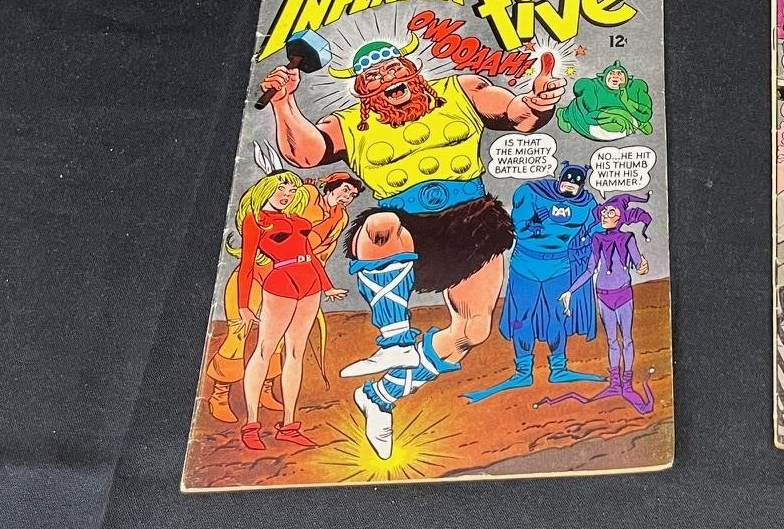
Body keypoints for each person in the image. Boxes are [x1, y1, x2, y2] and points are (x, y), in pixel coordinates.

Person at [259, 37, 566, 462]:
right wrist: (284, 103)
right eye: (374, 76)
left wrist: (539, 99)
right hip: (407, 229)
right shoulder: (347, 125)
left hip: (472, 223)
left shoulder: (463, 90)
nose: (388, 79)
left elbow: (519, 115)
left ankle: (379, 397)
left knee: (473, 332)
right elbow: (305, 155)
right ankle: (395, 341)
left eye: (394, 69)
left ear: (412, 71)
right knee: (378, 225)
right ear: (362, 89)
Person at [203, 171, 362, 423]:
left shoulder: (340, 217)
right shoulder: (306, 196)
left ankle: (266, 389)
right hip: (259, 276)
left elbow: (318, 252)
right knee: (239, 333)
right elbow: (301, 238)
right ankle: (219, 395)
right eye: (344, 190)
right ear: (330, 186)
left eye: (352, 195)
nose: (347, 197)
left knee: (278, 342)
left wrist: (316, 283)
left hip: (294, 284)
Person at [231, 172, 351, 451]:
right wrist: (243, 305)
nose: (286, 195)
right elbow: (247, 264)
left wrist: (327, 286)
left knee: (296, 353)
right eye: (281, 189)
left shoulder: (298, 220)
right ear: (266, 189)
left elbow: (310, 254)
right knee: (265, 350)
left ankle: (289, 425)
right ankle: (251, 425)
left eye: (291, 190)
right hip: (280, 284)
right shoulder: (255, 220)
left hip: (310, 285)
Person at [464, 162, 602, 402]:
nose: (570, 185)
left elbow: (597, 229)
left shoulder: (587, 204)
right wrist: (535, 223)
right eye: (567, 179)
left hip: (559, 266)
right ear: (559, 178)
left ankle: (558, 369)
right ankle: (523, 372)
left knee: (557, 316)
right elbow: (519, 227)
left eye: (576, 182)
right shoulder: (531, 193)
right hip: (526, 265)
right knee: (522, 317)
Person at [551, 193, 655, 413]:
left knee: (627, 339)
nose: (605, 215)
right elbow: (590, 269)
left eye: (611, 212)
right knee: (611, 340)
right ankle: (615, 383)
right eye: (604, 211)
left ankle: (627, 384)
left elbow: (638, 264)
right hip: (603, 295)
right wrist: (570, 291)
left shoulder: (628, 239)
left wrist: (643, 267)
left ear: (621, 217)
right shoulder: (597, 239)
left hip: (623, 294)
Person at [555, 63, 654, 140]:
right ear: (604, 77)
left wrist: (627, 102)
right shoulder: (593, 87)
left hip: (624, 119)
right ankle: (563, 114)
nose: (616, 76)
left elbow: (646, 114)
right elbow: (589, 117)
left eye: (619, 74)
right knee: (577, 110)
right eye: (612, 73)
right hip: (585, 119)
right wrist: (613, 117)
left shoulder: (632, 89)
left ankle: (639, 123)